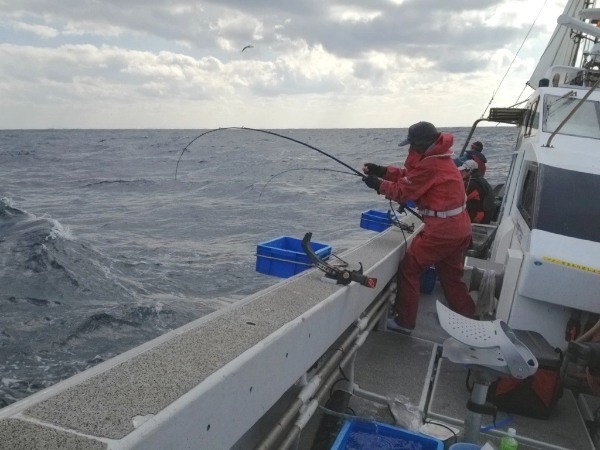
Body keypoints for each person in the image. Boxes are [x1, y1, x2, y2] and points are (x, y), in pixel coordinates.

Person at [362, 121, 475, 334]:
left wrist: (377, 184)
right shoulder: (440, 158)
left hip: (442, 232)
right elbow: (411, 176)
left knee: (410, 268)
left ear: (421, 145)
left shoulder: (432, 164)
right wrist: (382, 171)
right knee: (451, 277)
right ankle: (468, 317)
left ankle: (404, 323)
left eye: (412, 144)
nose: (410, 148)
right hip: (460, 227)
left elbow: (404, 191)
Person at [458, 159, 495, 224]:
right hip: (486, 215)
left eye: (464, 170)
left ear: (469, 171)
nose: (462, 172)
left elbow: (460, 199)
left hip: (479, 217)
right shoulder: (480, 179)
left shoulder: (472, 184)